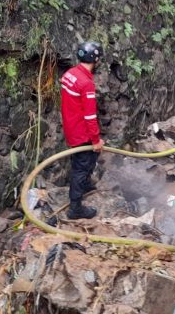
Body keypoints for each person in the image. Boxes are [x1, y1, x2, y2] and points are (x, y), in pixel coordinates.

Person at [60, 42, 105, 220]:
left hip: (71, 128)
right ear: (95, 59)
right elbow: (90, 117)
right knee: (82, 166)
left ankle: (85, 185)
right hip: (81, 132)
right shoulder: (86, 84)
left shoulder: (70, 74)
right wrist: (95, 141)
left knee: (84, 161)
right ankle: (75, 208)